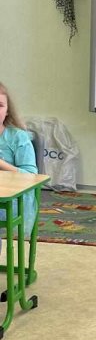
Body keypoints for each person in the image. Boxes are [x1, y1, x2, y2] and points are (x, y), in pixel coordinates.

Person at [0, 82, 40, 245]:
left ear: (7, 110)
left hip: (12, 200)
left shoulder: (17, 137)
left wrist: (1, 164)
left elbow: (31, 176)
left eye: (0, 105)